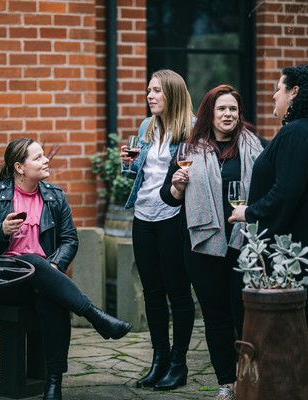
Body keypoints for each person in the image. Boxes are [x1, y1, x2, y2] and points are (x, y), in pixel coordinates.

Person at [0, 138, 132, 400]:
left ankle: (54, 383)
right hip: (2, 281)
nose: (46, 161)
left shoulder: (54, 196)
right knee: (32, 262)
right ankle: (95, 316)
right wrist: (0, 231)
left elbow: (69, 239)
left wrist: (54, 267)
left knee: (51, 298)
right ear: (20, 167)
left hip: (42, 280)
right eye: (38, 157)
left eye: (44, 156)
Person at [229, 65, 308, 400]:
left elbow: (286, 192)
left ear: (295, 92)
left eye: (279, 89)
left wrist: (247, 212)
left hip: (296, 253)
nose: (273, 95)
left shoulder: (297, 133)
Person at [160, 85, 267, 400]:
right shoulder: (188, 151)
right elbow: (169, 198)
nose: (228, 115)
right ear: (210, 112)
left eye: (233, 109)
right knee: (216, 314)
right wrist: (178, 188)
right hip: (203, 246)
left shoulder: (258, 146)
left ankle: (253, 380)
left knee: (245, 313)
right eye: (222, 109)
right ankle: (227, 382)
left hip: (246, 244)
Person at [119, 69, 196, 391]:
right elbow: (141, 175)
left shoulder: (191, 130)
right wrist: (127, 165)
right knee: (151, 292)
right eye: (148, 91)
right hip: (144, 216)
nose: (149, 96)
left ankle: (178, 364)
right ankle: (159, 359)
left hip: (173, 217)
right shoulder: (147, 127)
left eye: (156, 91)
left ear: (172, 95)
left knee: (177, 291)